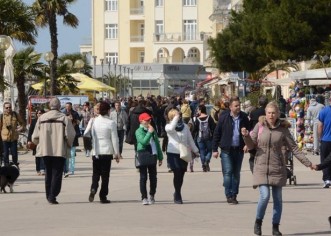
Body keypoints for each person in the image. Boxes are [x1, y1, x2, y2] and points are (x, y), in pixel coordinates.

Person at [241, 101, 313, 236]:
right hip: (261, 166)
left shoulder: (283, 129)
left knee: (278, 199)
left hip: (277, 167)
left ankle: (275, 227)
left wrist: (308, 163)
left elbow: (295, 148)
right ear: (265, 114)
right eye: (269, 113)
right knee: (264, 196)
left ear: (278, 114)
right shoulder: (259, 126)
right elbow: (251, 146)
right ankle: (258, 222)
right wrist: (245, 137)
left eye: (273, 113)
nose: (271, 115)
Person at [32, 98, 76, 204]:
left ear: (49, 106)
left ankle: (49, 194)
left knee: (48, 172)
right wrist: (68, 144)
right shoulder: (64, 118)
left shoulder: (42, 118)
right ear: (59, 106)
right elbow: (70, 135)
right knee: (57, 173)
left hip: (45, 150)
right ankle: (52, 195)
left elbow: (34, 136)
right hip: (59, 150)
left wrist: (39, 143)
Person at [212, 96, 250, 205]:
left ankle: (234, 194)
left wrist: (247, 143)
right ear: (230, 107)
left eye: (239, 105)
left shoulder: (244, 117)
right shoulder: (224, 117)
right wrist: (214, 149)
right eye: (236, 106)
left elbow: (250, 132)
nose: (238, 107)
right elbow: (217, 133)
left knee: (236, 173)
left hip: (239, 149)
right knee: (228, 172)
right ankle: (228, 194)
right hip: (226, 149)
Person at [85, 102, 120, 204]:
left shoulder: (93, 121)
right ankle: (103, 196)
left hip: (95, 151)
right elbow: (115, 139)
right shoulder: (111, 123)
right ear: (108, 111)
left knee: (95, 173)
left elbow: (85, 133)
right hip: (107, 151)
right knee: (105, 176)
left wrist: (90, 145)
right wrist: (117, 154)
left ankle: (94, 187)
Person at [165, 109, 199, 204]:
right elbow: (171, 128)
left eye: (178, 115)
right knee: (177, 172)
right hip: (173, 153)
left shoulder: (185, 126)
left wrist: (196, 151)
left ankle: (176, 191)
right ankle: (178, 194)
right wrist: (176, 117)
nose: (179, 116)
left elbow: (190, 139)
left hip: (184, 152)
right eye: (176, 115)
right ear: (172, 117)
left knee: (182, 173)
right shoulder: (168, 126)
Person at [135, 113, 163, 205]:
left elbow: (157, 144)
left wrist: (160, 156)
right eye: (146, 120)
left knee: (153, 177)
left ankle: (152, 195)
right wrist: (149, 132)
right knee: (143, 177)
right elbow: (143, 141)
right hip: (143, 153)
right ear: (141, 121)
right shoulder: (138, 131)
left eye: (149, 120)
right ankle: (144, 197)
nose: (148, 121)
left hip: (153, 153)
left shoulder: (152, 130)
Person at [0, 102, 26, 166]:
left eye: (10, 107)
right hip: (5, 138)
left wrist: (19, 129)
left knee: (14, 154)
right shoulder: (1, 116)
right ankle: (6, 167)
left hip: (13, 138)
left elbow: (22, 124)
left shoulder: (15, 114)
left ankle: (15, 166)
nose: (9, 109)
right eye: (7, 107)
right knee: (5, 154)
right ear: (4, 108)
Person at [247, 95, 268, 173]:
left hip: (256, 137)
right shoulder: (269, 112)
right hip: (267, 136)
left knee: (252, 157)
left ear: (259, 102)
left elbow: (250, 126)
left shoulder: (254, 112)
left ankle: (254, 172)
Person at [193, 104, 215, 172]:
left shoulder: (197, 119)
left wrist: (193, 137)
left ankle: (203, 165)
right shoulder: (209, 118)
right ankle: (207, 160)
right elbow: (213, 127)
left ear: (200, 110)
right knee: (209, 150)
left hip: (200, 137)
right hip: (208, 137)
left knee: (202, 151)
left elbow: (195, 129)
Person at [62, 102, 81, 176]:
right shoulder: (62, 113)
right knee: (66, 154)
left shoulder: (75, 113)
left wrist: (73, 120)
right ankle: (66, 169)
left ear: (71, 106)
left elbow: (79, 122)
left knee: (72, 154)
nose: (67, 107)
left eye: (69, 106)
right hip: (65, 136)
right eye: (66, 106)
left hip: (73, 135)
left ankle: (72, 169)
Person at [27, 109, 46, 175]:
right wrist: (29, 140)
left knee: (43, 155)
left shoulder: (45, 121)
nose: (38, 114)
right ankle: (38, 169)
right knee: (37, 156)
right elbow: (30, 131)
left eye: (40, 113)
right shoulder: (34, 121)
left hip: (43, 141)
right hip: (36, 141)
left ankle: (42, 169)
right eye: (37, 113)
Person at [318, 98, 331, 188]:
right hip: (326, 139)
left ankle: (327, 179)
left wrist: (320, 137)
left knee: (325, 160)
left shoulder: (324, 111)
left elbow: (320, 126)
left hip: (326, 140)